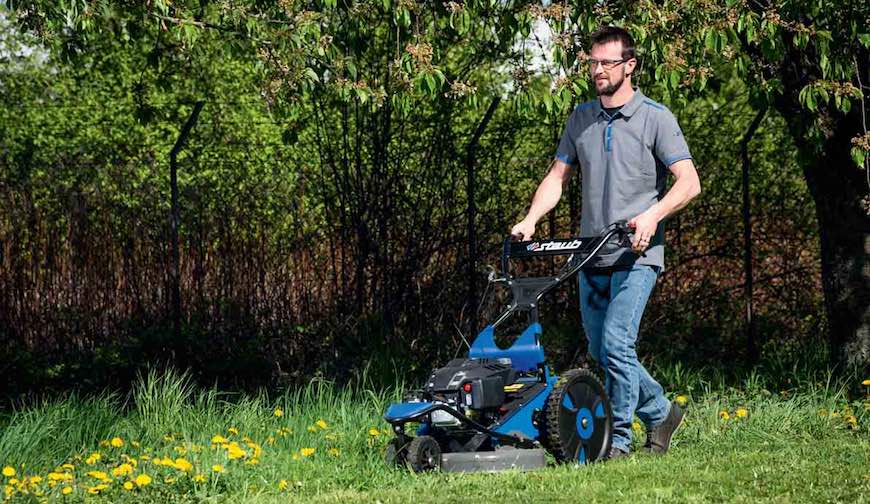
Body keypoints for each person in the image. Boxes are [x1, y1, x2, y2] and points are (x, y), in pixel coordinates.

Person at [510, 26, 701, 459]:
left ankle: (616, 442)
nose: (597, 70)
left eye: (607, 63)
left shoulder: (655, 117)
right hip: (589, 254)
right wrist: (531, 218)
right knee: (600, 348)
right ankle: (660, 411)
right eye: (592, 63)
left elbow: (689, 183)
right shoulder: (580, 118)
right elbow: (557, 178)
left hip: (636, 254)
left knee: (616, 343)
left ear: (629, 66)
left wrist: (652, 215)